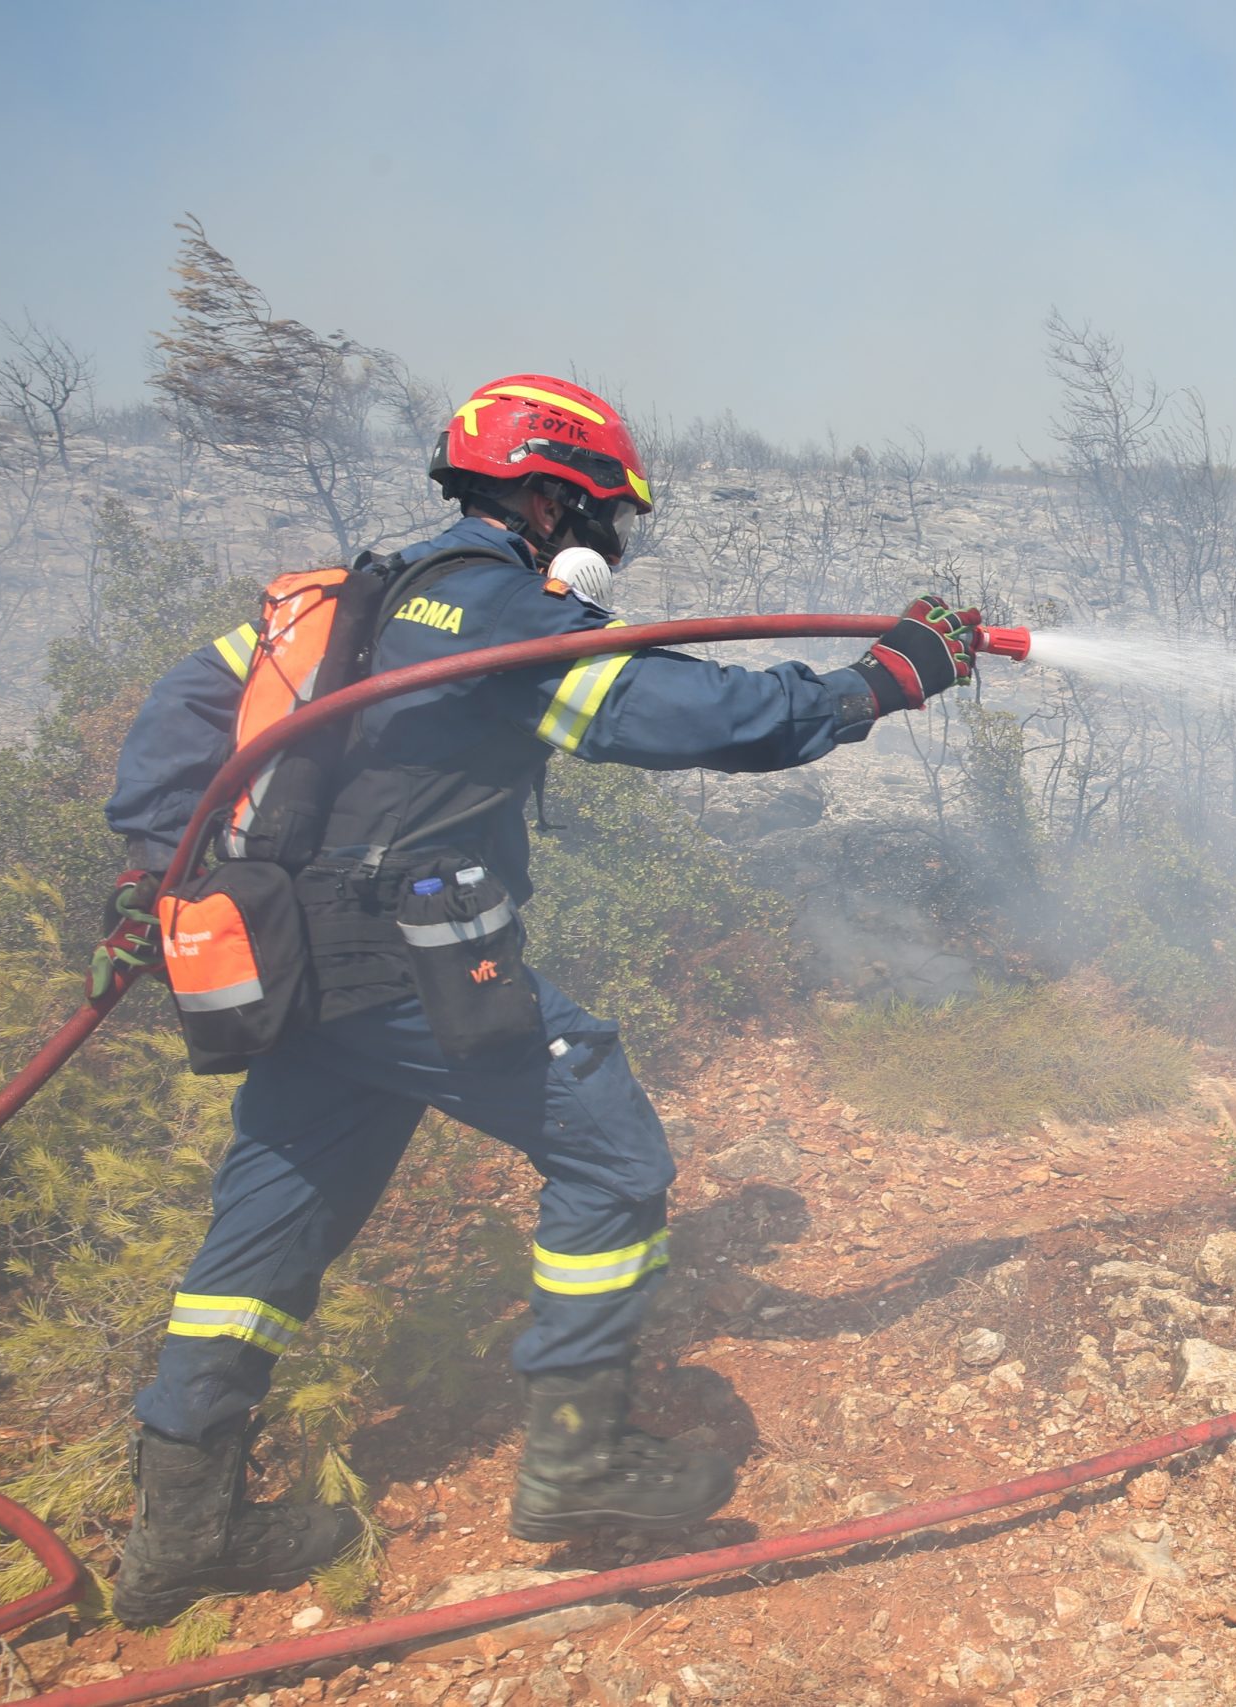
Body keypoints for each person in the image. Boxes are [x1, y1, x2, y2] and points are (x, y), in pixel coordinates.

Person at [99, 374, 977, 1625]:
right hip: (406, 962)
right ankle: (577, 1462)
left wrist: (148, 867)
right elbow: (676, 710)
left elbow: (191, 700)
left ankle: (183, 1531)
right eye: (606, 515)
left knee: (267, 1228)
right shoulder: (496, 613)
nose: (609, 543)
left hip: (291, 965)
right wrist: (881, 681)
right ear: (555, 492)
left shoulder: (358, 597)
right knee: (608, 1149)